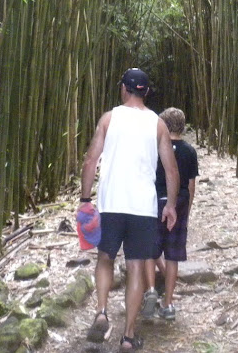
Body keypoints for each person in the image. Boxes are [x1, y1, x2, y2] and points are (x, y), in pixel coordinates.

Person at [80, 68, 180, 352]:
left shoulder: (109, 118)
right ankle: (128, 335)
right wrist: (170, 206)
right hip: (143, 207)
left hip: (111, 202)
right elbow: (171, 170)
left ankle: (101, 311)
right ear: (146, 92)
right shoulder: (158, 124)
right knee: (136, 266)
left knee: (105, 258)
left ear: (124, 88)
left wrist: (85, 198)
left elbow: (90, 161)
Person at [141, 107, 199, 322]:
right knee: (173, 254)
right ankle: (169, 303)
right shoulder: (189, 151)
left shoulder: (155, 148)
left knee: (149, 248)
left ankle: (151, 290)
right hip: (179, 202)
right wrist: (188, 208)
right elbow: (191, 184)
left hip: (155, 201)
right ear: (183, 127)